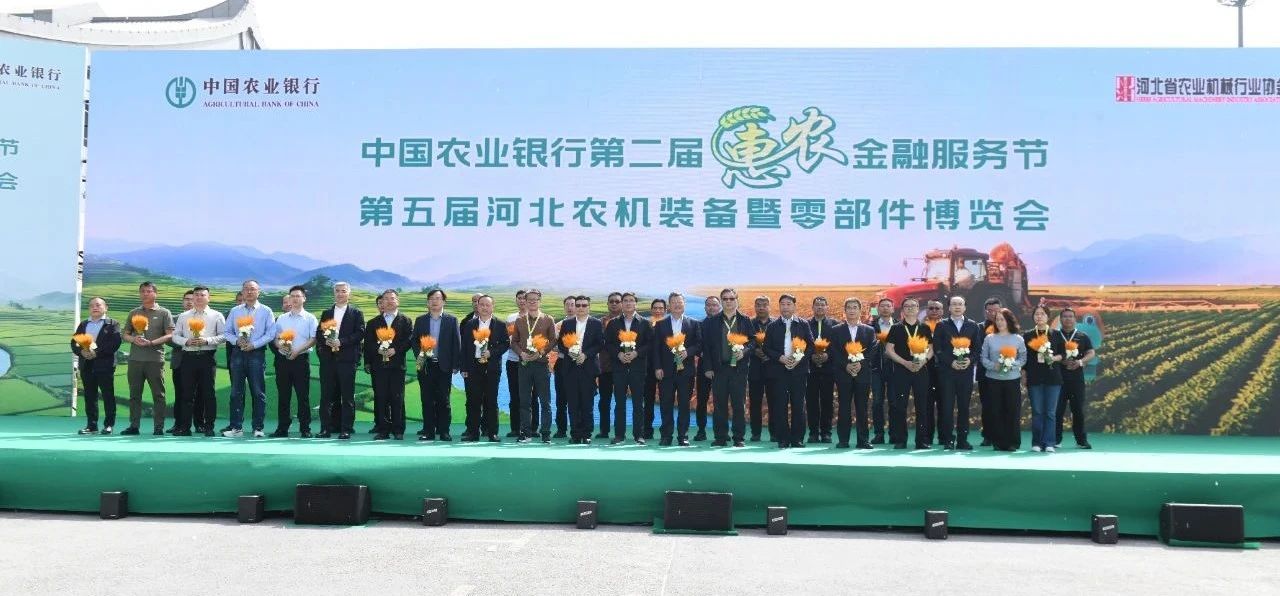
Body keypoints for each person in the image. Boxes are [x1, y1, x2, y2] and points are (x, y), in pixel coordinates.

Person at [120, 281, 175, 436]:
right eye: (142, 291)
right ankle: (134, 426)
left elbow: (170, 335)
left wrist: (151, 343)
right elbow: (125, 334)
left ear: (155, 293)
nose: (145, 294)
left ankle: (158, 427)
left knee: (158, 395)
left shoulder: (164, 313)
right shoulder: (134, 312)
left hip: (155, 360)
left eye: (149, 291)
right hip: (135, 360)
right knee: (134, 395)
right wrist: (134, 339)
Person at [703, 288, 756, 448]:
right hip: (719, 369)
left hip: (739, 370)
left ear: (737, 300)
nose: (728, 301)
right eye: (725, 299)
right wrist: (708, 367)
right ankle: (720, 437)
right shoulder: (712, 321)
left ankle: (738, 437)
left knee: (739, 404)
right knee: (719, 404)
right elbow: (706, 346)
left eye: (731, 298)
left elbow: (753, 342)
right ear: (721, 301)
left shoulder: (745, 320)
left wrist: (744, 352)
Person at [222, 280, 275, 438]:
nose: (249, 292)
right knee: (236, 392)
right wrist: (237, 341)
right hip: (238, 354)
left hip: (256, 354)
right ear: (242, 292)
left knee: (258, 392)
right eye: (246, 289)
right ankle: (236, 428)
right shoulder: (235, 311)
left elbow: (270, 334)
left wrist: (254, 344)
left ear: (258, 292)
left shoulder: (266, 311)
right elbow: (227, 332)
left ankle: (258, 428)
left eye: (252, 289)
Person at [931, 296, 984, 450]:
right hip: (947, 373)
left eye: (960, 304)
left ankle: (962, 440)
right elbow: (937, 348)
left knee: (964, 407)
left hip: (965, 373)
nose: (957, 307)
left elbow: (977, 349)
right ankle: (948, 439)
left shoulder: (973, 325)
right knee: (946, 407)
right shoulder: (942, 325)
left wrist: (970, 360)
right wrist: (951, 362)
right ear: (949, 308)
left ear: (965, 307)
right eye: (954, 304)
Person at [171, 286, 226, 436]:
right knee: (187, 394)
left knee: (208, 393)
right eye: (196, 295)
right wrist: (186, 341)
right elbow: (175, 336)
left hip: (207, 357)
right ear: (193, 297)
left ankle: (209, 427)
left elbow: (224, 335)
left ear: (209, 298)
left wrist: (207, 340)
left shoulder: (216, 315)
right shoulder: (184, 316)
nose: (199, 297)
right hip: (188, 357)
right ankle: (184, 427)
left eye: (202, 295)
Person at [651, 292, 702, 446]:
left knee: (684, 405)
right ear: (669, 305)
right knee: (666, 403)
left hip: (686, 371)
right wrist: (657, 367)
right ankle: (666, 436)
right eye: (674, 302)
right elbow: (656, 348)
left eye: (680, 302)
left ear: (684, 304)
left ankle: (683, 436)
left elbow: (699, 345)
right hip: (665, 371)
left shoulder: (694, 323)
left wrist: (688, 352)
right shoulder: (661, 324)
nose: (677, 305)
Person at [316, 281, 365, 439]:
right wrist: (327, 341)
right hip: (328, 361)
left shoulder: (356, 313)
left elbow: (360, 333)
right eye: (337, 291)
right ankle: (325, 428)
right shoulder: (326, 313)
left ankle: (346, 429)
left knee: (347, 396)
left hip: (347, 360)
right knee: (326, 396)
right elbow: (319, 333)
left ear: (349, 293)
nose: (340, 293)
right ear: (334, 293)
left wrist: (340, 342)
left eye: (343, 291)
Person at [765, 294, 814, 449]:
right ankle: (783, 438)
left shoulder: (803, 324)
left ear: (794, 306)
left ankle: (797, 438)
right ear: (779, 306)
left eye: (788, 304)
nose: (785, 307)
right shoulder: (772, 326)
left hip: (798, 371)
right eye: (783, 304)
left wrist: (799, 359)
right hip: (778, 371)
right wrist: (779, 357)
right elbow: (766, 347)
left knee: (798, 404)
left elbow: (811, 346)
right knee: (780, 405)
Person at [883, 298, 933, 449]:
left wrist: (923, 361)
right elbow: (889, 350)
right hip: (901, 371)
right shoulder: (896, 328)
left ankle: (921, 440)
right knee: (900, 406)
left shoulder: (924, 327)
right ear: (902, 310)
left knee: (922, 406)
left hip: (921, 370)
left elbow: (931, 349)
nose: (910, 308)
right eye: (907, 306)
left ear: (918, 308)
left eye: (913, 306)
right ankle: (901, 440)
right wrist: (905, 363)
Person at [364, 289, 413, 440]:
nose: (389, 301)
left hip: (397, 366)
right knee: (381, 397)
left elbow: (409, 340)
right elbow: (368, 343)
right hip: (379, 366)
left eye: (392, 298)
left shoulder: (406, 320)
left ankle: (398, 430)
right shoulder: (373, 323)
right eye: (386, 299)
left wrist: (395, 350)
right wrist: (378, 350)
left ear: (397, 301)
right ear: (382, 302)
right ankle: (383, 430)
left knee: (397, 397)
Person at [510, 288, 558, 443]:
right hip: (524, 365)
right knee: (524, 401)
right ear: (524, 301)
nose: (531, 302)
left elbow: (553, 340)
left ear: (539, 301)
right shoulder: (520, 320)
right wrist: (520, 353)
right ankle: (526, 433)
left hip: (541, 365)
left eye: (535, 299)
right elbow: (514, 342)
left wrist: (542, 352)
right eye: (528, 299)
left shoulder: (548, 319)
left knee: (545, 401)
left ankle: (545, 433)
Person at [270, 285, 318, 438]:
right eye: (292, 296)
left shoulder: (310, 318)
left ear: (304, 298)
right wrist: (281, 347)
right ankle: (282, 428)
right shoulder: (282, 318)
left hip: (301, 360)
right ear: (289, 299)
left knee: (303, 396)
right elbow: (275, 338)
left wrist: (297, 351)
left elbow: (313, 339)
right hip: (283, 361)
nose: (295, 299)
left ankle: (305, 428)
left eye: (298, 296)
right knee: (283, 396)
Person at [604, 292, 652, 445]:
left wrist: (637, 353)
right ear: (622, 304)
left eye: (631, 300)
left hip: (638, 368)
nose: (628, 303)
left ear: (635, 303)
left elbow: (650, 344)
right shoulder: (613, 323)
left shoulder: (644, 323)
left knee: (638, 403)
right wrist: (618, 354)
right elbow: (608, 343)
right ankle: (619, 435)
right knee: (619, 403)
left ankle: (639, 435)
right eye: (625, 301)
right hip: (619, 368)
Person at [460, 294, 510, 442]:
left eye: (488, 305)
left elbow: (505, 344)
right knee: (473, 401)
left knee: (491, 401)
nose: (484, 307)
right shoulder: (470, 324)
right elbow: (464, 348)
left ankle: (492, 432)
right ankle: (472, 432)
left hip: (491, 367)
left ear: (492, 307)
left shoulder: (499, 324)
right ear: (477, 306)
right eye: (481, 304)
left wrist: (491, 352)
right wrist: (464, 368)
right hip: (473, 367)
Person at [413, 289, 461, 441]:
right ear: (428, 302)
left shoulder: (451, 320)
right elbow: (414, 341)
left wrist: (455, 364)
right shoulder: (420, 320)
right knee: (427, 400)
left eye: (438, 298)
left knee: (444, 400)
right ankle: (428, 431)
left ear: (443, 302)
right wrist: (421, 353)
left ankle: (444, 431)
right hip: (425, 365)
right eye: (432, 298)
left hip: (444, 366)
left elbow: (456, 343)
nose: (435, 301)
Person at [556, 295, 604, 444]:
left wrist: (586, 355)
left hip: (588, 368)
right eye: (578, 305)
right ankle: (575, 434)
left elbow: (600, 344)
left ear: (589, 307)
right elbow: (561, 343)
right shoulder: (567, 323)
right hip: (570, 368)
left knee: (587, 403)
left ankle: (586, 434)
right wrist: (569, 352)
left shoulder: (596, 323)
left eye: (584, 305)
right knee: (573, 403)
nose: (580, 308)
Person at [830, 298, 877, 449]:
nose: (851, 310)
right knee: (844, 407)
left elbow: (872, 350)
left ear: (860, 310)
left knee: (862, 407)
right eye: (849, 307)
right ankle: (843, 440)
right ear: (845, 311)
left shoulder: (869, 330)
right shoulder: (836, 330)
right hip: (843, 374)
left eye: (855, 307)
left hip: (862, 375)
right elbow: (834, 351)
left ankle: (863, 441)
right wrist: (846, 365)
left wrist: (860, 364)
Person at [71, 297, 122, 435]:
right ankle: (91, 426)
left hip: (105, 365)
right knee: (90, 396)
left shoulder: (113, 324)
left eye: (98, 305)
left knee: (107, 395)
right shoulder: (83, 324)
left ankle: (109, 425)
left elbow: (114, 343)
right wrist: (81, 352)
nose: (95, 307)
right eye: (92, 305)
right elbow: (74, 342)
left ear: (106, 307)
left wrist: (96, 353)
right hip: (86, 364)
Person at [979, 308, 1026, 452]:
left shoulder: (1018, 339)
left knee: (1012, 411)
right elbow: (983, 358)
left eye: (1002, 319)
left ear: (1009, 321)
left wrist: (1012, 365)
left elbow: (1023, 358)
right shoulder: (989, 338)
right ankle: (998, 442)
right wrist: (994, 366)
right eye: (997, 319)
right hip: (993, 380)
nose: (999, 322)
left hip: (1012, 379)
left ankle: (1013, 442)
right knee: (995, 411)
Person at [1024, 305, 1065, 453]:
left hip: (1053, 378)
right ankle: (1037, 442)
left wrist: (1053, 358)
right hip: (1034, 378)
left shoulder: (1056, 334)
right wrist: (1024, 375)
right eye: (1036, 314)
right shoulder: (1028, 335)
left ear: (1048, 317)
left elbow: (1063, 354)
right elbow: (1025, 357)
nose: (1039, 316)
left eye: (1042, 314)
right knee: (1037, 411)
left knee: (1050, 412)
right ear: (1033, 317)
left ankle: (1049, 443)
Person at [1055, 307, 1096, 449]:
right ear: (1060, 319)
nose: (1068, 319)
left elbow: (1091, 352)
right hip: (1058, 379)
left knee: (1078, 410)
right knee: (1057, 410)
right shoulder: (1054, 335)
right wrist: (1061, 360)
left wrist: (1080, 362)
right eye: (1065, 316)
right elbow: (1049, 353)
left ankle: (1081, 440)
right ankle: (1056, 440)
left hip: (1077, 379)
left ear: (1075, 319)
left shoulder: (1082, 336)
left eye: (1070, 316)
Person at [505, 290, 538, 437]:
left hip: (532, 362)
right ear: (516, 300)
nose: (522, 300)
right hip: (514, 361)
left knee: (533, 396)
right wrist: (519, 351)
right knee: (515, 395)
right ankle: (515, 428)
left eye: (525, 298)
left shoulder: (537, 317)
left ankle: (533, 428)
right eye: (519, 298)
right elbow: (508, 340)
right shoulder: (511, 318)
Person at [806, 296, 838, 444]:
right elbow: (802, 344)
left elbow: (838, 345)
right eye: (817, 305)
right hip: (810, 369)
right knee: (811, 401)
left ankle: (826, 433)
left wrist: (827, 355)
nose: (819, 307)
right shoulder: (805, 324)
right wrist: (811, 356)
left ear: (827, 307)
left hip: (828, 369)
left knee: (827, 401)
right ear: (812, 307)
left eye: (822, 305)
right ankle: (813, 433)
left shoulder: (834, 325)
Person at [595, 292, 623, 439]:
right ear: (607, 304)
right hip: (605, 368)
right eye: (611, 301)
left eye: (617, 301)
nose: (614, 304)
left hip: (623, 367)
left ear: (622, 303)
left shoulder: (627, 321)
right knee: (604, 402)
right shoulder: (600, 322)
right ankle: (604, 430)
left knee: (620, 402)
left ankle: (619, 432)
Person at [166, 290, 195, 434]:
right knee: (180, 394)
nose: (189, 302)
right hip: (180, 361)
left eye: (192, 299)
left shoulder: (205, 318)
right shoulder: (174, 319)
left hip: (200, 360)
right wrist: (185, 342)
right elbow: (169, 339)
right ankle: (178, 424)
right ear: (182, 302)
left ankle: (200, 424)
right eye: (186, 299)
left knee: (200, 394)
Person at [693, 295, 721, 441]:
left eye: (714, 305)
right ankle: (701, 430)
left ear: (719, 307)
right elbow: (696, 345)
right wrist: (704, 354)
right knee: (702, 400)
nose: (712, 307)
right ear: (705, 308)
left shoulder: (725, 324)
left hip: (722, 368)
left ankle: (721, 432)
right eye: (709, 305)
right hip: (704, 367)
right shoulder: (699, 325)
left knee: (720, 401)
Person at [869, 298, 896, 444]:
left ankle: (894, 434)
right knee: (877, 402)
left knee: (894, 402)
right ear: (878, 309)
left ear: (893, 308)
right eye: (882, 306)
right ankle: (879, 434)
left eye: (888, 306)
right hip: (876, 369)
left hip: (894, 369)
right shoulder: (870, 326)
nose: (885, 308)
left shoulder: (898, 325)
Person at [748, 295, 773, 442]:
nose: (761, 308)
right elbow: (743, 343)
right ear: (755, 307)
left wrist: (768, 353)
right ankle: (755, 433)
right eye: (758, 305)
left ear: (769, 307)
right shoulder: (749, 324)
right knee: (755, 403)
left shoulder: (776, 324)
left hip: (773, 369)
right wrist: (754, 351)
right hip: (755, 369)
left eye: (764, 305)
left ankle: (774, 433)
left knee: (774, 401)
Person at [977, 297, 1002, 446]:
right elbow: (978, 349)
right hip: (985, 373)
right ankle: (988, 435)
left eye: (996, 310)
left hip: (1004, 373)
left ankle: (1001, 435)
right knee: (987, 405)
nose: (993, 313)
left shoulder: (1007, 327)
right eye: (989, 311)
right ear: (985, 312)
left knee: (1002, 404)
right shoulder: (978, 328)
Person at [642, 298, 667, 440]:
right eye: (655, 308)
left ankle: (665, 430)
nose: (658, 311)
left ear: (665, 310)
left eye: (661, 308)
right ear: (651, 310)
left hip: (665, 367)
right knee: (648, 400)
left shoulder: (669, 324)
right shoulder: (645, 324)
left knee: (665, 400)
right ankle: (647, 429)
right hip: (647, 367)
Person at [552, 295, 576, 438]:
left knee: (576, 399)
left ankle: (576, 430)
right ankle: (561, 430)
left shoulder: (584, 324)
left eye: (573, 304)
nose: (570, 307)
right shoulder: (558, 325)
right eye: (567, 304)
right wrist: (566, 349)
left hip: (579, 364)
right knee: (561, 400)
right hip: (562, 363)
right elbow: (553, 345)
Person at [921, 300, 945, 444]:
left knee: (944, 404)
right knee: (927, 405)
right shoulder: (921, 327)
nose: (934, 311)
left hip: (945, 371)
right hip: (926, 371)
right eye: (931, 308)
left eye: (937, 308)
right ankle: (927, 437)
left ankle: (943, 437)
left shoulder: (947, 327)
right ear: (927, 311)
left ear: (942, 311)